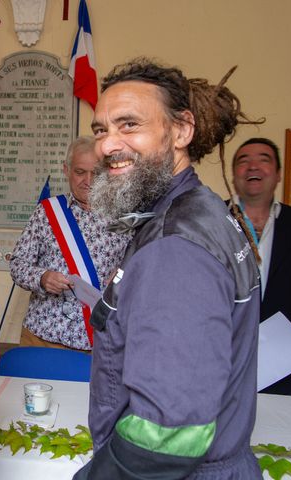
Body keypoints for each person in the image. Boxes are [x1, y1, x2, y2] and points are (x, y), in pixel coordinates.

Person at [73, 58, 262, 479]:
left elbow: (166, 433)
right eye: (101, 129)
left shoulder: (174, 248)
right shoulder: (200, 209)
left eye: (129, 125)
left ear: (181, 130)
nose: (106, 145)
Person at [9, 136, 130, 351]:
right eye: (80, 172)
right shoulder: (47, 212)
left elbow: (140, 266)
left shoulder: (124, 217)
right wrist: (42, 278)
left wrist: (124, 276)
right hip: (44, 336)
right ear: (66, 170)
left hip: (101, 340)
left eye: (96, 173)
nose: (88, 181)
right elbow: (18, 265)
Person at [232, 137, 291, 395]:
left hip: (281, 368)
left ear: (279, 174)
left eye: (263, 160)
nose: (253, 167)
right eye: (243, 161)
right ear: (233, 174)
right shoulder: (209, 223)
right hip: (217, 364)